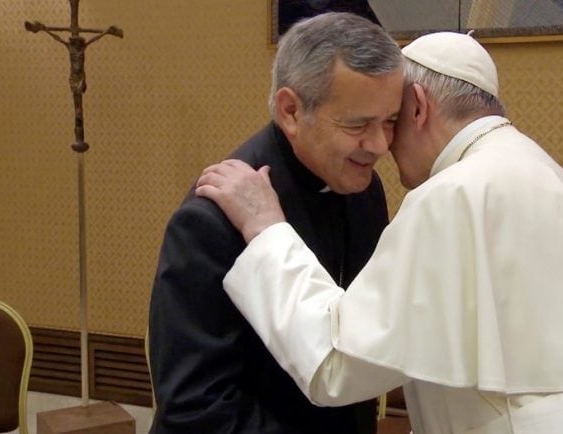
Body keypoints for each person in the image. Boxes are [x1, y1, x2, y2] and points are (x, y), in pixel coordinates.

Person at [196, 32, 563, 434]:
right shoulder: (539, 168)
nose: (382, 145)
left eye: (389, 121)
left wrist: (266, 229)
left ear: (420, 107)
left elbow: (334, 367)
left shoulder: (452, 194)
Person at [148, 12, 404, 434]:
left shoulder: (364, 192)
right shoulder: (210, 219)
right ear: (290, 110)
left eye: (389, 121)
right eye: (358, 124)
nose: (379, 145)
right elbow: (194, 408)